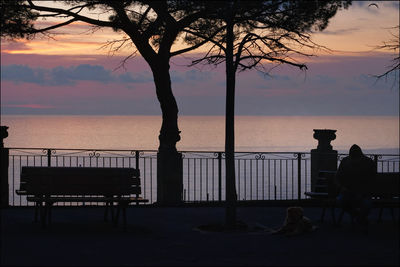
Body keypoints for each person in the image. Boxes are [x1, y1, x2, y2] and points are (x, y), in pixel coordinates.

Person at [335, 144, 376, 226]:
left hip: (363, 194)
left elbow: (372, 181)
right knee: (341, 201)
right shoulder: (346, 162)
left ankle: (358, 217)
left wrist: (363, 193)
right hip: (348, 193)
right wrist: (342, 188)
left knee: (366, 204)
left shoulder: (367, 162)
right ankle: (359, 217)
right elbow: (337, 178)